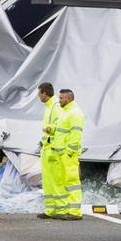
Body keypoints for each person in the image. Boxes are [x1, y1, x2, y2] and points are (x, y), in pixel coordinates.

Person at [56, 88, 85, 220]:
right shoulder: (66, 112)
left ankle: (75, 211)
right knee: (66, 182)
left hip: (69, 155)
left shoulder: (74, 113)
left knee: (72, 182)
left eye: (61, 98)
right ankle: (69, 209)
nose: (59, 100)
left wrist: (69, 152)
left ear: (68, 99)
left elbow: (76, 134)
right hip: (63, 154)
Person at [37, 82, 65, 219]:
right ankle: (50, 209)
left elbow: (60, 126)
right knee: (48, 181)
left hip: (53, 149)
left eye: (39, 93)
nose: (38, 97)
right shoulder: (49, 107)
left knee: (56, 180)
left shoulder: (55, 106)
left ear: (44, 93)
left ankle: (60, 209)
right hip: (47, 149)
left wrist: (51, 132)